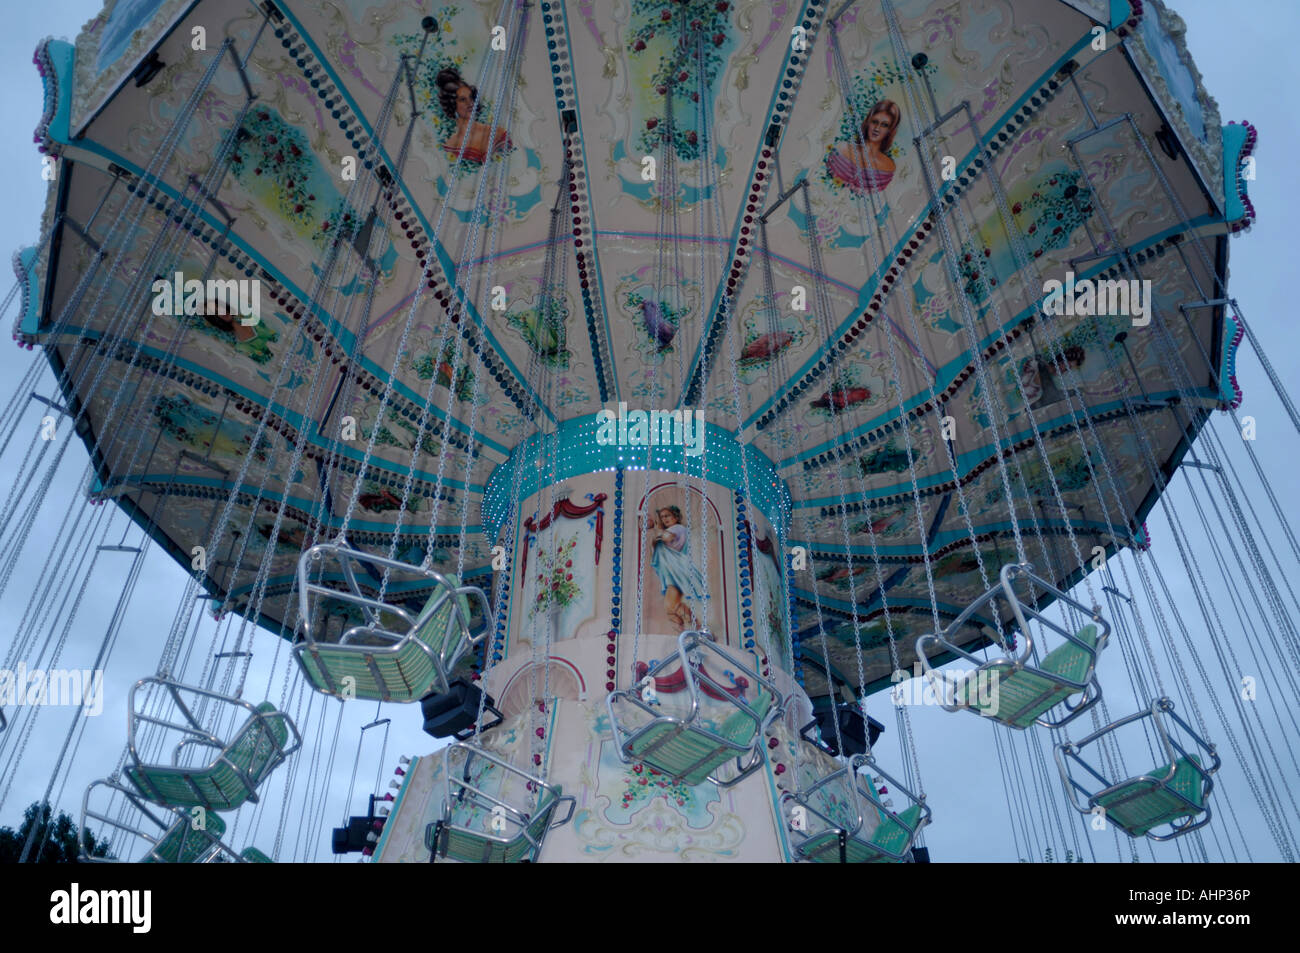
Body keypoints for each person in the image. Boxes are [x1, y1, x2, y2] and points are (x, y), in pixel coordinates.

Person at [648, 505, 709, 632]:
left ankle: (695, 627)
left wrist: (656, 528)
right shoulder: (669, 530)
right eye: (662, 517)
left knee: (670, 605)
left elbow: (667, 537)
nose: (665, 519)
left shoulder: (679, 528)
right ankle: (684, 630)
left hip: (677, 571)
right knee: (670, 607)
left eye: (667, 516)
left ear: (675, 516)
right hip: (671, 572)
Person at [436, 66, 510, 163]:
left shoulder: (497, 133)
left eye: (471, 97)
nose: (470, 103)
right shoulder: (450, 145)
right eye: (463, 100)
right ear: (452, 105)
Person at [826, 99, 901, 194]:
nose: (877, 129)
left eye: (884, 125)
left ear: (890, 131)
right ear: (868, 122)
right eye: (874, 122)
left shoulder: (889, 167)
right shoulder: (842, 149)